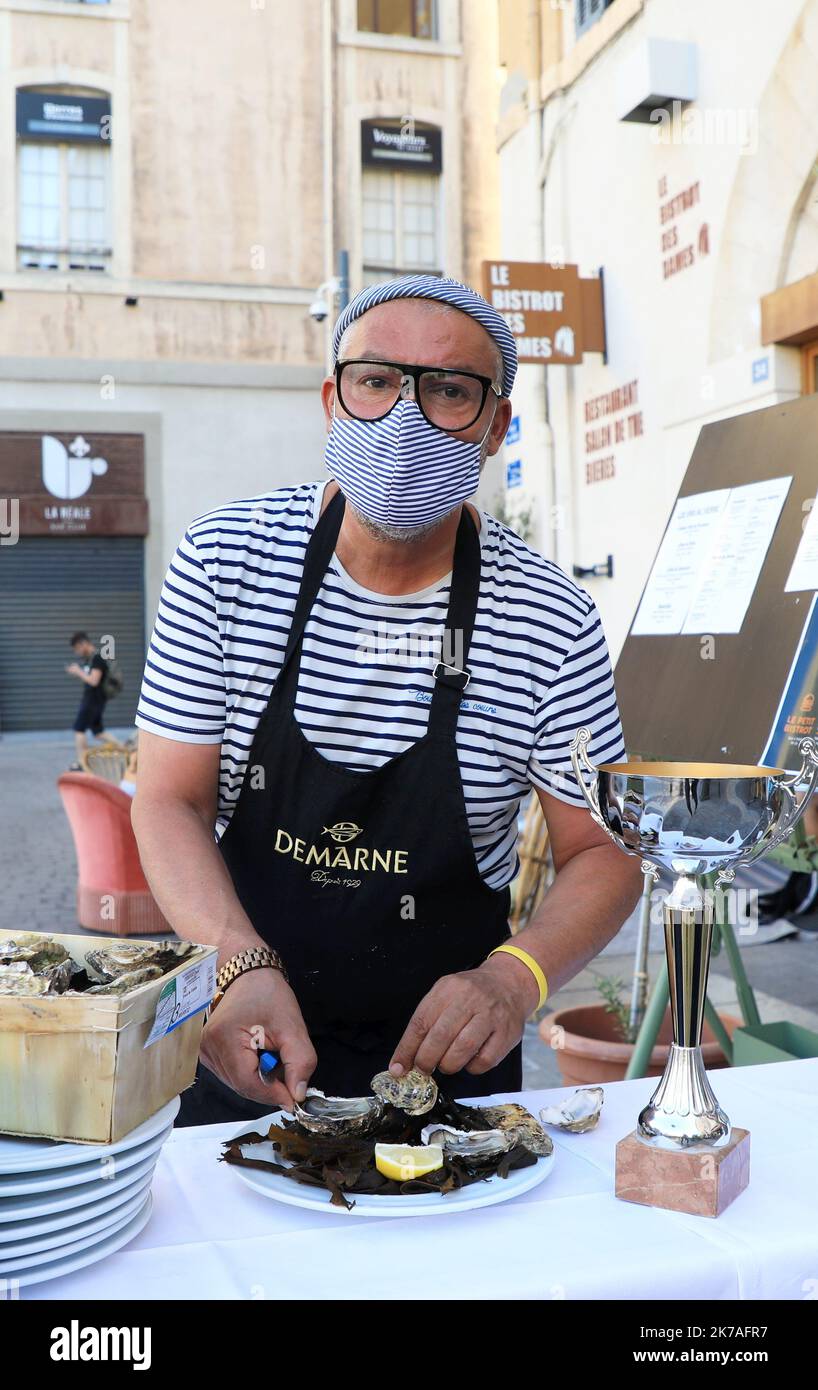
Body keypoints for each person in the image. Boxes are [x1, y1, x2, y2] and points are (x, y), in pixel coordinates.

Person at [132, 274, 644, 1125]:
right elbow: (167, 798)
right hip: (237, 1029)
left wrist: (515, 980)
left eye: (449, 391)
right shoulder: (224, 562)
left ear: (494, 427)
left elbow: (605, 851)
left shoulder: (551, 618)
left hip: (452, 1060)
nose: (404, 418)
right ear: (333, 401)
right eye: (377, 381)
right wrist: (233, 964)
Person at [66, 632, 109, 769]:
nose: (77, 652)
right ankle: (126, 751)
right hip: (93, 700)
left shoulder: (97, 658)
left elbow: (94, 681)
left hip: (93, 700)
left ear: (83, 644)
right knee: (98, 732)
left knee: (79, 729)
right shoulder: (90, 659)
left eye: (76, 649)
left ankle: (82, 763)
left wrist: (78, 671)